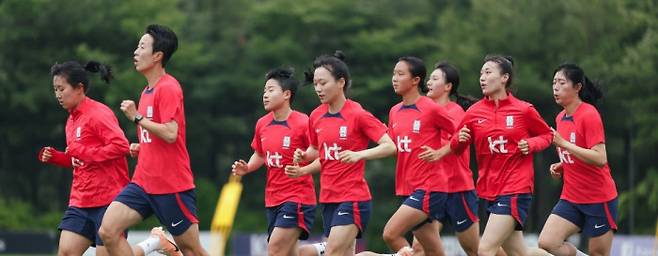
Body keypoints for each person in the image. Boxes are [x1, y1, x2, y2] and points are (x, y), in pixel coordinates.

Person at [98, 24, 207, 256]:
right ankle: (157, 243)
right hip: (143, 182)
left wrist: (136, 117)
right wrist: (143, 145)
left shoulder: (169, 87)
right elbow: (155, 134)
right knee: (107, 231)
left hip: (171, 185)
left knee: (192, 250)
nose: (135, 52)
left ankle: (165, 244)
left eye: (142, 47)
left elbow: (170, 133)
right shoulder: (147, 91)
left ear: (158, 56)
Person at [285, 51, 397, 256]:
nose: (318, 89)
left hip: (353, 197)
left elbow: (389, 146)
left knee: (333, 252)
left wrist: (358, 155)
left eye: (323, 83)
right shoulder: (316, 116)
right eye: (316, 84)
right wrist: (303, 158)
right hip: (328, 197)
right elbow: (318, 152)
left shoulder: (358, 114)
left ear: (341, 82)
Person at [445, 55, 553, 256]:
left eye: (488, 72)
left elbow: (547, 135)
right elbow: (456, 148)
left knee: (485, 250)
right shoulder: (474, 112)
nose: (482, 78)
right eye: (481, 74)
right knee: (520, 253)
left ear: (504, 78)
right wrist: (459, 138)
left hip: (515, 188)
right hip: (490, 189)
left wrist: (530, 144)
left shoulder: (523, 110)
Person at [38, 60, 130, 256]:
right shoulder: (71, 120)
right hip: (81, 201)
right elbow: (78, 160)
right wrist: (57, 158)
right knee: (65, 252)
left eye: (61, 89)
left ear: (79, 88)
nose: (58, 95)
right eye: (55, 89)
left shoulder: (98, 113)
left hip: (109, 200)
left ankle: (152, 244)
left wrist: (82, 151)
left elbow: (121, 146)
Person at [231, 68, 317, 256]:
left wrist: (304, 162)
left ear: (287, 94)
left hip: (297, 197)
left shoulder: (303, 122)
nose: (265, 95)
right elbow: (260, 155)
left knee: (275, 249)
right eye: (264, 91)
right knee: (291, 253)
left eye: (271, 90)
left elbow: (318, 153)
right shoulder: (262, 123)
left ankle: (328, 248)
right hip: (272, 199)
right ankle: (325, 250)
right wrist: (247, 167)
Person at [538, 63, 617, 256]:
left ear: (577, 87)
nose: (555, 87)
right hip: (571, 198)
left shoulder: (589, 115)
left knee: (598, 253)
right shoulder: (560, 118)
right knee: (547, 242)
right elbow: (577, 153)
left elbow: (600, 158)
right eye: (554, 82)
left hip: (599, 198)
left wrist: (564, 144)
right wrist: (563, 164)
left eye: (561, 82)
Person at [381, 57, 455, 256]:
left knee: (390, 234)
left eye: (400, 74)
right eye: (394, 73)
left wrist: (440, 152)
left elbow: (461, 135)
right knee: (431, 250)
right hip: (408, 187)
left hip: (430, 187)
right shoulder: (394, 111)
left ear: (415, 80)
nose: (394, 78)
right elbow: (393, 146)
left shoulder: (431, 108)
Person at [420, 61, 480, 256]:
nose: (429, 82)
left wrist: (438, 153)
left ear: (448, 87)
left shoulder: (456, 112)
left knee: (476, 249)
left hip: (458, 188)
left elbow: (457, 140)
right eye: (429, 78)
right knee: (420, 248)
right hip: (432, 189)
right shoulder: (423, 111)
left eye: (435, 79)